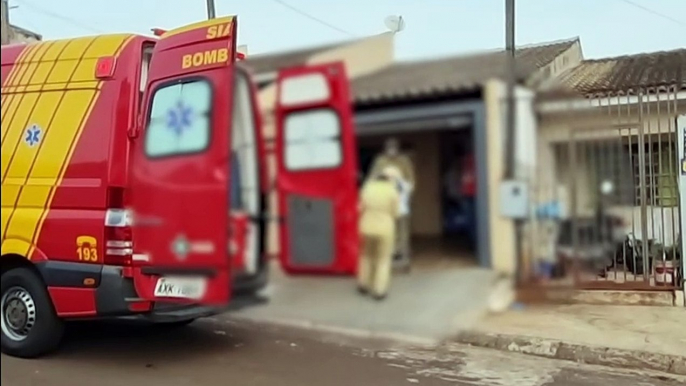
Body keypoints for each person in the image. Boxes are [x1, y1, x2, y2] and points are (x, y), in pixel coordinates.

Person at [357, 166, 401, 300]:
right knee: (383, 260)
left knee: (366, 256)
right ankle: (379, 291)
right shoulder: (392, 191)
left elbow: (360, 207)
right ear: (391, 178)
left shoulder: (368, 187)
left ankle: (363, 284)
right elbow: (396, 213)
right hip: (385, 229)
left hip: (366, 227)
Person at [368, 138, 415, 262]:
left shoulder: (404, 160)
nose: (392, 150)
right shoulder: (380, 161)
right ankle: (390, 250)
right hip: (384, 197)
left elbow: (410, 179)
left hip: (400, 197)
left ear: (398, 148)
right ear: (385, 149)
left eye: (394, 147)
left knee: (402, 226)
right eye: (389, 147)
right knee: (387, 225)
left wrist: (407, 192)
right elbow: (372, 178)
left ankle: (403, 251)